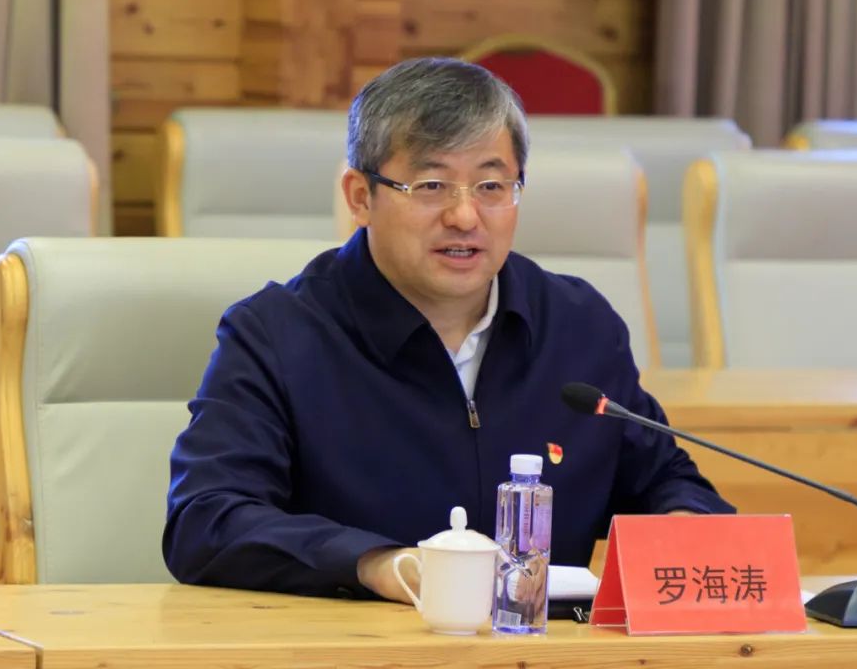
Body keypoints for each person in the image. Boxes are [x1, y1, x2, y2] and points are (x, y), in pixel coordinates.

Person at [163, 57, 734, 602]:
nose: (465, 216)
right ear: (361, 197)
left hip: (544, 649)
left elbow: (665, 479)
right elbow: (205, 519)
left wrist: (684, 523)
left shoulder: (578, 326)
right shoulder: (277, 335)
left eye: (492, 186)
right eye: (432, 186)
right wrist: (379, 566)